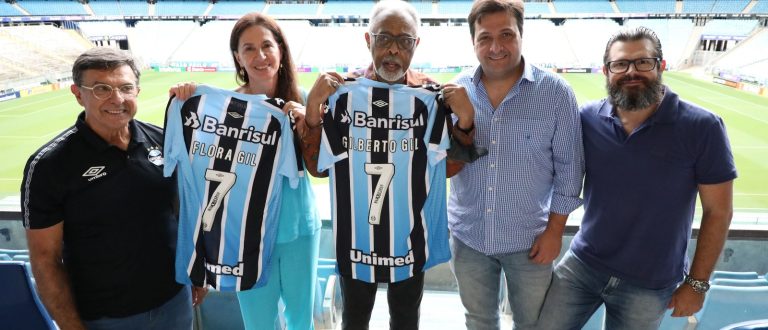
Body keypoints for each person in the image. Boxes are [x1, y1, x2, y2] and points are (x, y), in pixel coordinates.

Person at [537, 26, 737, 329]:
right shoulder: (587, 118)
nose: (632, 71)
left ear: (661, 66)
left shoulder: (703, 127)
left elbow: (718, 212)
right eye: (620, 64)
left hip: (649, 283)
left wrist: (696, 284)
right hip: (583, 265)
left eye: (643, 62)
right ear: (606, 71)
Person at [300, 1, 475, 329]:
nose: (394, 49)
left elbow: (446, 168)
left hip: (410, 239)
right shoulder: (342, 94)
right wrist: (313, 109)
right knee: (354, 320)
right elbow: (319, 167)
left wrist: (465, 119)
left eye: (404, 40)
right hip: (356, 242)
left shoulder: (430, 97)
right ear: (368, 41)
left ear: (416, 45)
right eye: (384, 38)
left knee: (406, 320)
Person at [20, 47, 206, 330]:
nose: (116, 99)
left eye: (125, 87)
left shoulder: (165, 140)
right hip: (105, 318)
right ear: (77, 93)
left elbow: (183, 213)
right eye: (101, 88)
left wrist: (196, 272)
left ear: (138, 91)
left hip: (174, 302)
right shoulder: (48, 165)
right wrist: (71, 326)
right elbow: (45, 259)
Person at [170, 12, 320, 329]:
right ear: (237, 57)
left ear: (281, 49)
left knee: (300, 319)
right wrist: (187, 99)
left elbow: (322, 166)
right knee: (258, 322)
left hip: (298, 230)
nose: (260, 56)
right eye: (248, 48)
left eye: (267, 45)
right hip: (243, 235)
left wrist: (308, 124)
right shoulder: (224, 108)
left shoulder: (305, 100)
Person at [445, 0, 584, 329]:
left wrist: (554, 231)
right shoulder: (454, 92)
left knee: (532, 323)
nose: (495, 47)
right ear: (473, 42)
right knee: (478, 321)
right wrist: (463, 123)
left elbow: (570, 171)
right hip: (469, 238)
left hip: (531, 241)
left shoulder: (557, 94)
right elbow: (444, 168)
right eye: (485, 37)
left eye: (506, 34)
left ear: (522, 35)